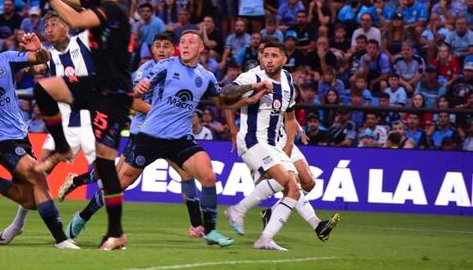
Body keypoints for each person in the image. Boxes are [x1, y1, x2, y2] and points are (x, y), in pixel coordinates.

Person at [60, 32, 212, 240]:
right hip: (144, 133)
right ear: (152, 50)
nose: (161, 50)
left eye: (166, 46)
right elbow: (132, 100)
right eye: (157, 46)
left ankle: (197, 226)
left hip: (173, 136)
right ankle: (82, 216)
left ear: (173, 49)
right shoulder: (147, 70)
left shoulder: (182, 69)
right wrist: (162, 113)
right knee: (119, 181)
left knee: (186, 174)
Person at [29, 0, 136, 249]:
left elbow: (75, 18)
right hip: (97, 85)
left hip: (114, 95)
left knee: (104, 163)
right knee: (44, 88)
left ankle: (116, 232)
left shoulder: (114, 9)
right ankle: (63, 147)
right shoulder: (103, 4)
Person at [224, 39, 340, 246]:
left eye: (274, 56)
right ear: (260, 56)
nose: (268, 60)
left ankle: (266, 236)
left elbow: (289, 115)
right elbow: (225, 97)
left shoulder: (287, 79)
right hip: (254, 139)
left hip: (276, 140)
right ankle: (239, 210)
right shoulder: (251, 77)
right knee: (287, 182)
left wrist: (290, 140)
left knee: (299, 185)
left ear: (285, 59)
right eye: (265, 55)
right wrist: (233, 128)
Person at [0, 11, 95, 245]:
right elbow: (34, 69)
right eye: (46, 25)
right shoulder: (49, 56)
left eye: (54, 24)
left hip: (93, 123)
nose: (49, 29)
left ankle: (88, 220)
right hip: (63, 128)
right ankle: (18, 224)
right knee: (36, 175)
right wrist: (34, 53)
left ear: (67, 25)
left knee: (110, 178)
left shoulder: (84, 41)